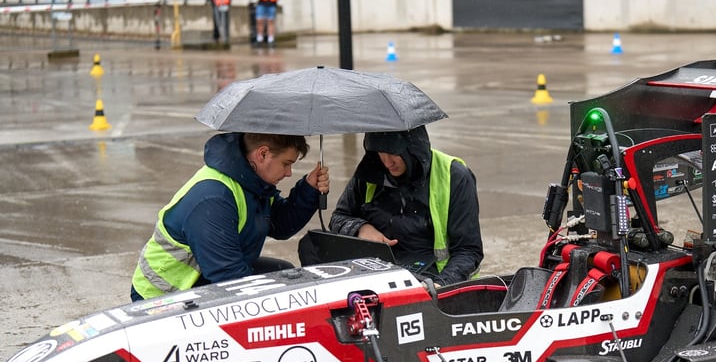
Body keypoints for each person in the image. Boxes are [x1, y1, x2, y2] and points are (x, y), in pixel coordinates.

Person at [130, 132, 329, 302]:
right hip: (162, 298)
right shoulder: (213, 199)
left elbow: (281, 225)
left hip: (205, 276)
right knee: (275, 295)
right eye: (286, 164)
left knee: (284, 275)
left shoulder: (253, 183)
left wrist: (309, 190)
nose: (288, 173)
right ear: (263, 154)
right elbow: (229, 278)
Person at [325, 126, 483, 287]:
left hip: (432, 277)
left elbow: (468, 251)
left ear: (412, 147)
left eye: (393, 152)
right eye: (380, 152)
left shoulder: (454, 176)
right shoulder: (371, 170)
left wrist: (441, 285)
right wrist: (361, 228)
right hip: (377, 270)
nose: (387, 162)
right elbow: (339, 217)